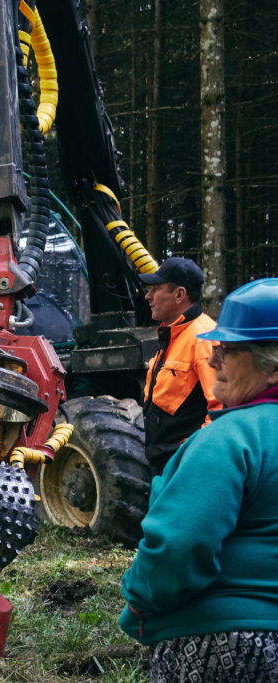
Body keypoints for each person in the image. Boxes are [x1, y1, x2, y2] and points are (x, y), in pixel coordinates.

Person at [120, 278, 278, 681]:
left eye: (227, 351)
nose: (212, 360)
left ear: (273, 363)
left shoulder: (230, 439)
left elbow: (180, 544)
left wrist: (138, 600)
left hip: (221, 640)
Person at [138, 257, 222, 475]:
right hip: (164, 461)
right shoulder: (173, 333)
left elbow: (221, 409)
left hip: (185, 466)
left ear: (179, 295)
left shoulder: (204, 338)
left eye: (155, 289)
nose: (148, 296)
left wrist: (191, 456)